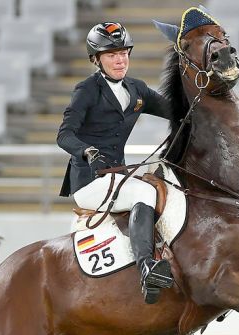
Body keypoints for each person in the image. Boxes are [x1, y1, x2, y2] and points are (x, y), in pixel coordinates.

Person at [57, 21, 173, 304]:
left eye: (124, 53)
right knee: (145, 192)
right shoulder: (86, 90)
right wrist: (87, 151)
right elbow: (64, 135)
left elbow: (176, 111)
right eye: (111, 54)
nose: (120, 60)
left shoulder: (137, 89)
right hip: (89, 181)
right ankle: (146, 267)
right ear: (96, 59)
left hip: (117, 177)